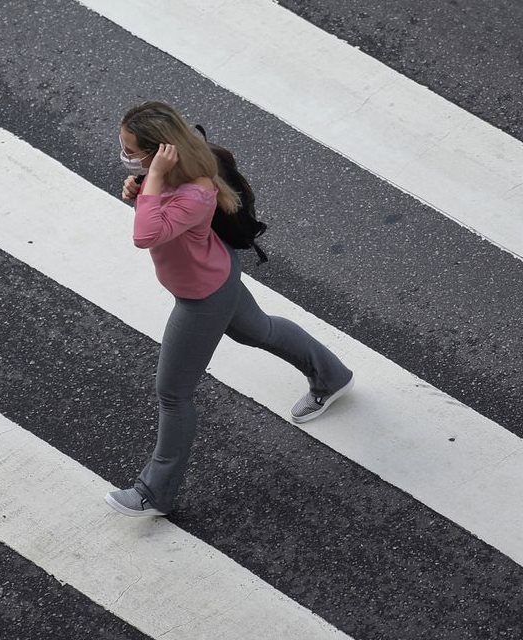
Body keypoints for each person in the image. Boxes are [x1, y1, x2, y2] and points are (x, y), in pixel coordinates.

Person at [105, 101, 354, 518]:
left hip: (202, 297)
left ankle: (154, 493)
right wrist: (143, 185)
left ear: (161, 150)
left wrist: (150, 186)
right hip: (216, 273)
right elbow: (158, 213)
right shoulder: (174, 171)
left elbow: (147, 234)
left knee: (173, 394)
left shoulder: (196, 192)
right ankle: (332, 375)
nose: (125, 154)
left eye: (131, 149)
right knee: (258, 330)